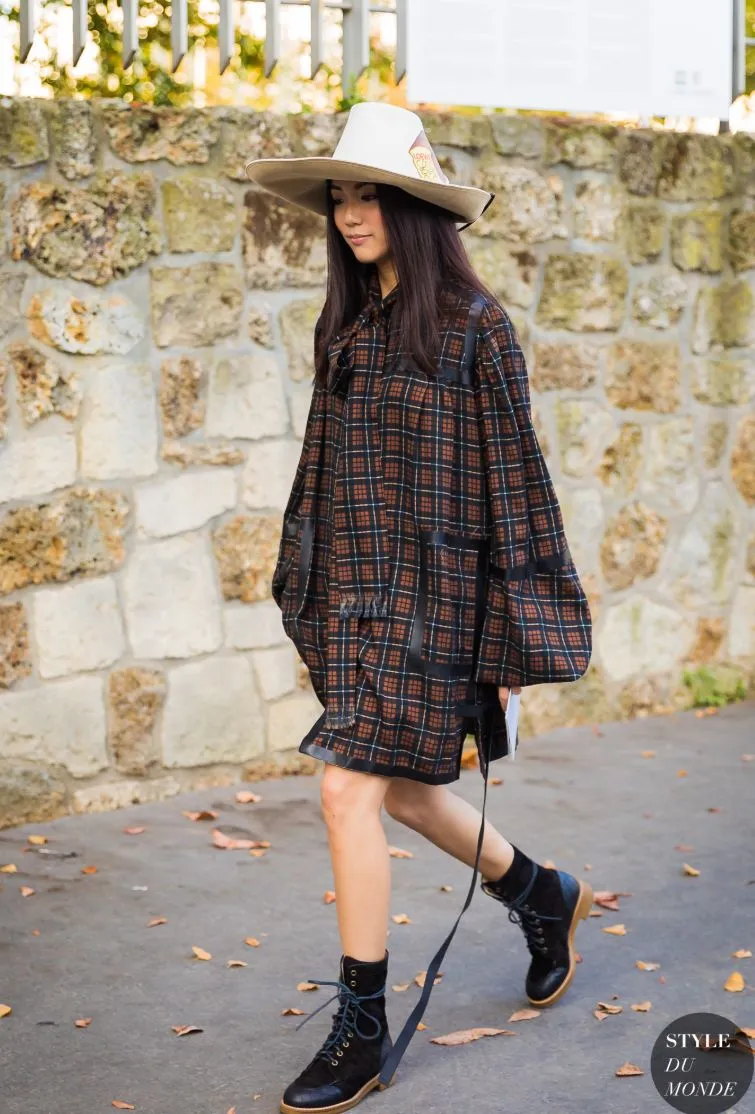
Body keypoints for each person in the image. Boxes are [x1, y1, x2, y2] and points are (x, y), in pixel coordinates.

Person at [245, 101, 594, 1114]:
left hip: (440, 609)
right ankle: (541, 894)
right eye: (340, 198)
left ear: (416, 209)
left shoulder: (476, 327)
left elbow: (518, 488)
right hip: (358, 602)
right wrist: (304, 580)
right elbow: (320, 474)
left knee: (345, 791)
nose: (352, 215)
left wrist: (510, 643)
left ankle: (360, 1028)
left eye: (371, 196)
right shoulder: (346, 326)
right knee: (400, 793)